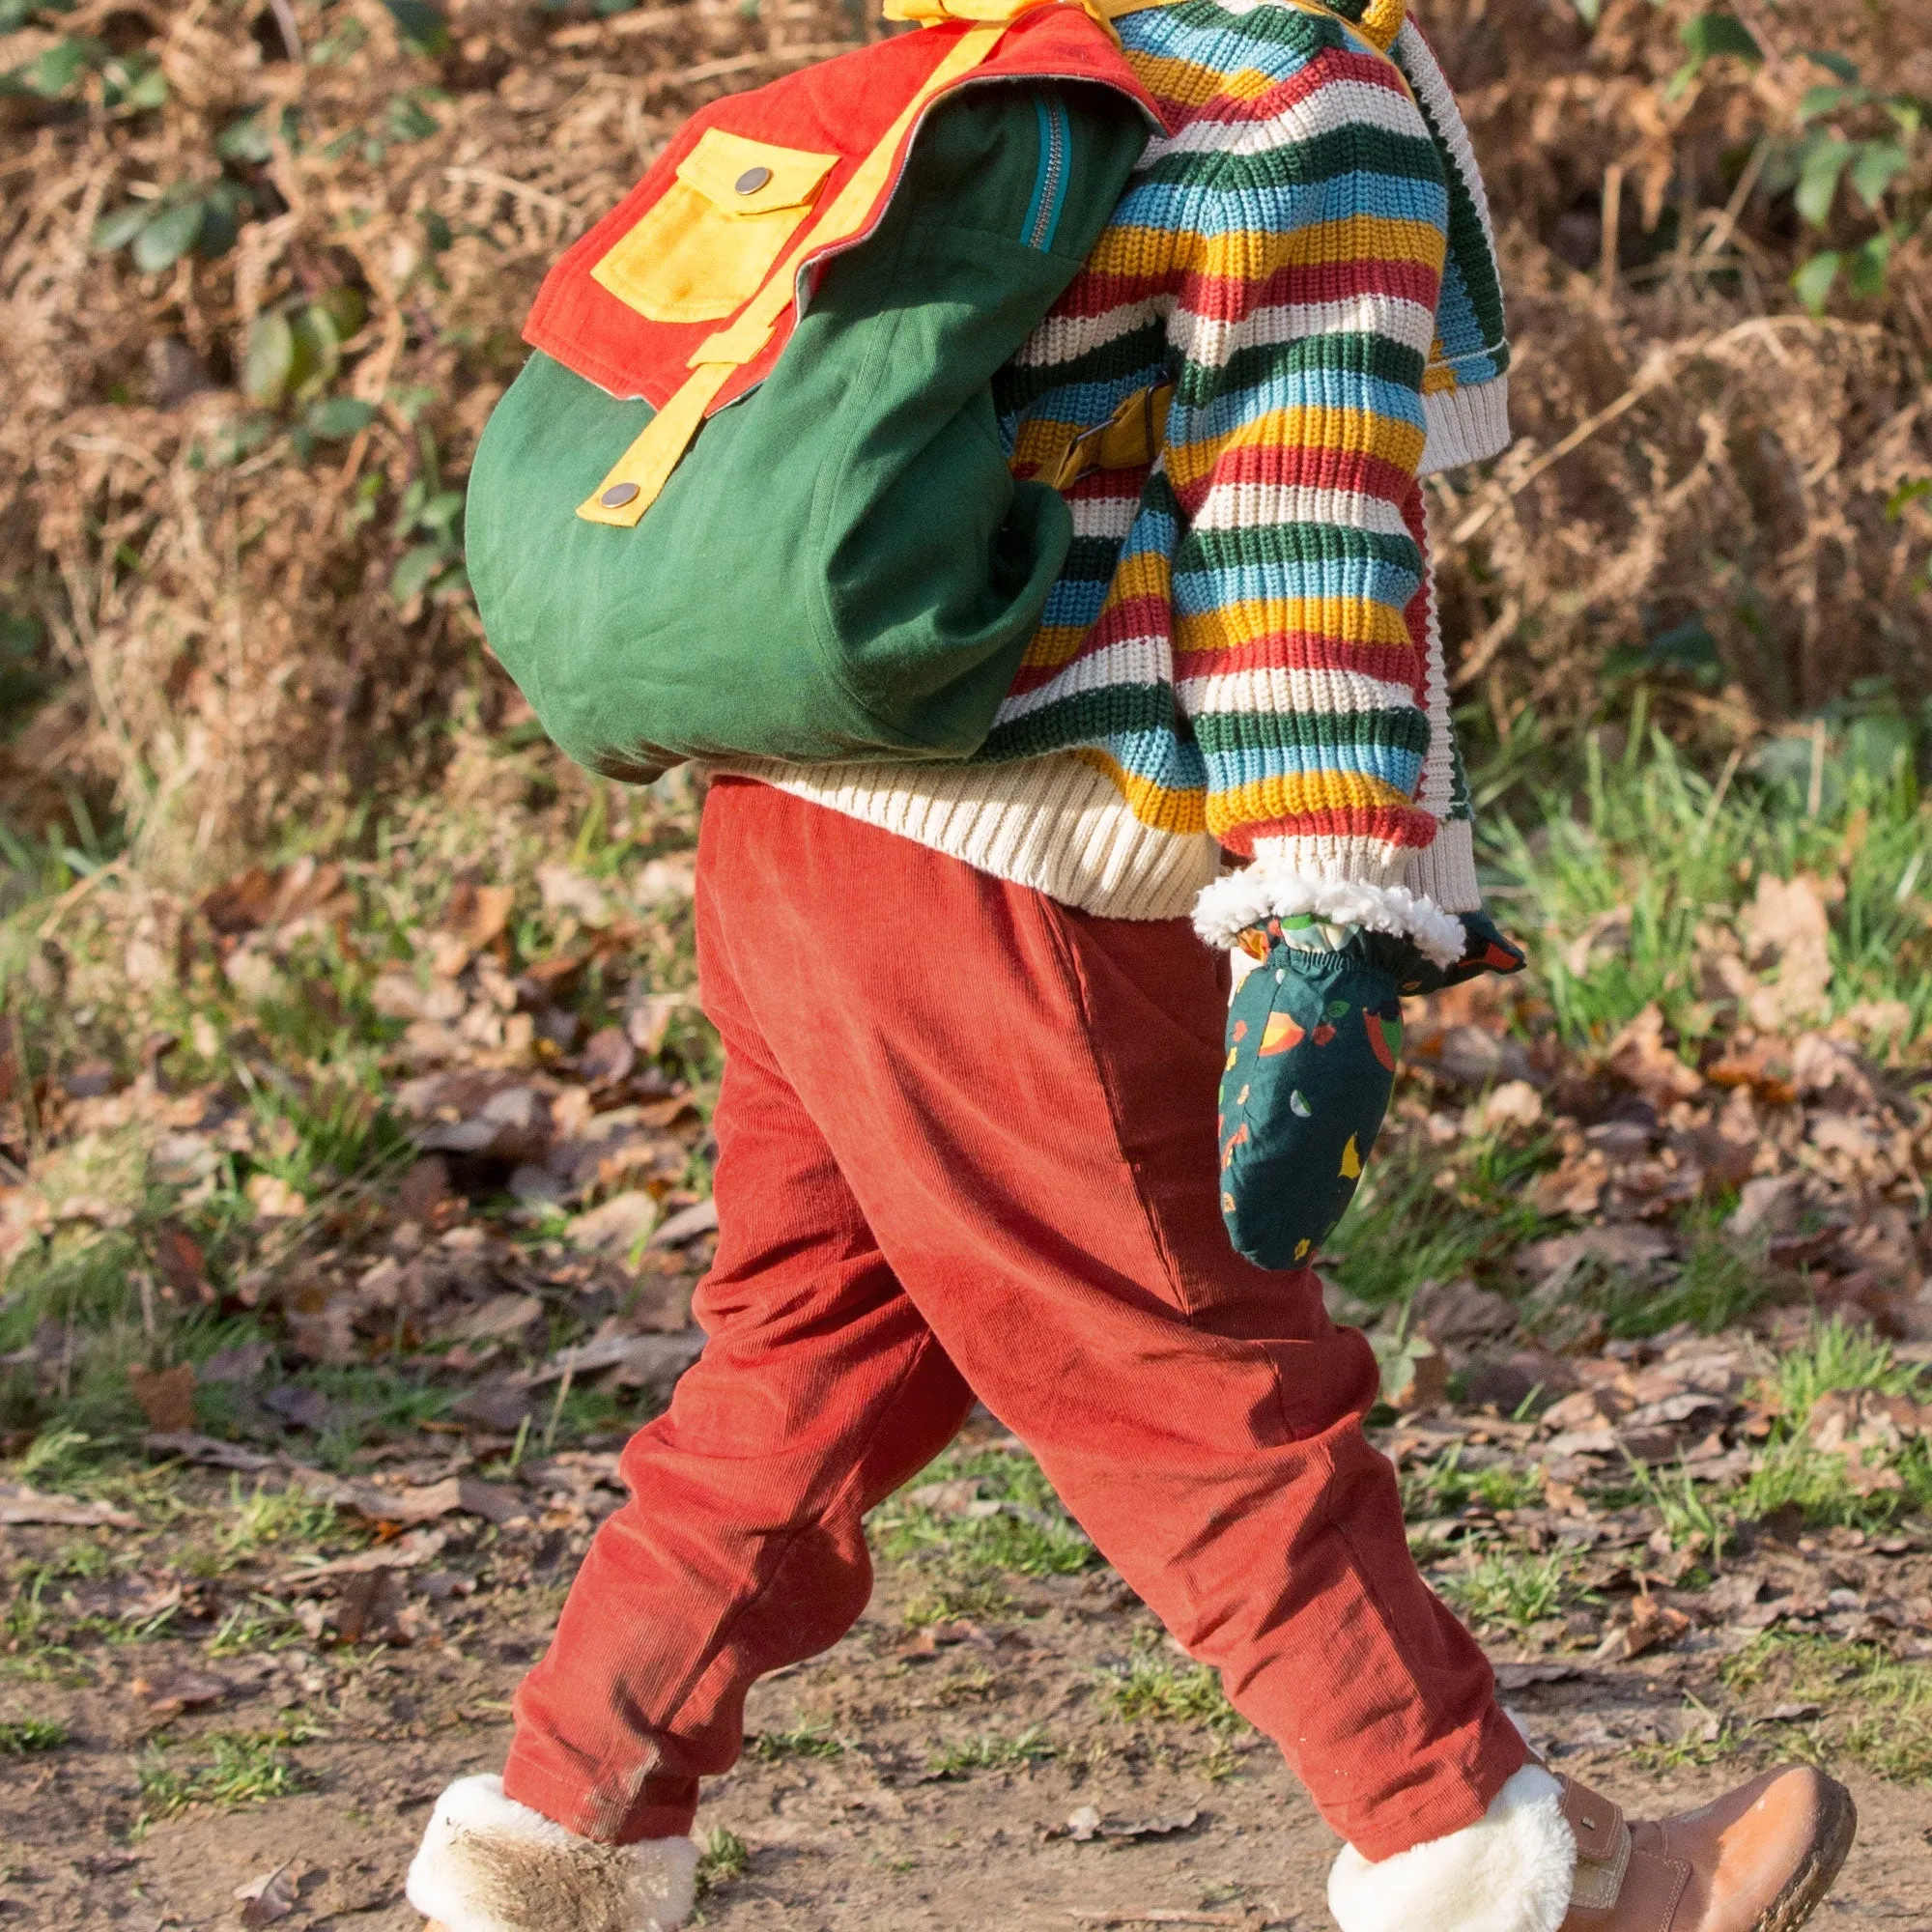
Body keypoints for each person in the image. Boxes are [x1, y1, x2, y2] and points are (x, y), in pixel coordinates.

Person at [406, 0, 1857, 1925]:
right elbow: (1289, 516)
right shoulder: (1286, 87)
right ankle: (1475, 1850)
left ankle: (562, 1830)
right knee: (1204, 1372)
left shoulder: (1015, 34)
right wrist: (1328, 906)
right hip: (1021, 882)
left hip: (797, 837)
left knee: (805, 1370)